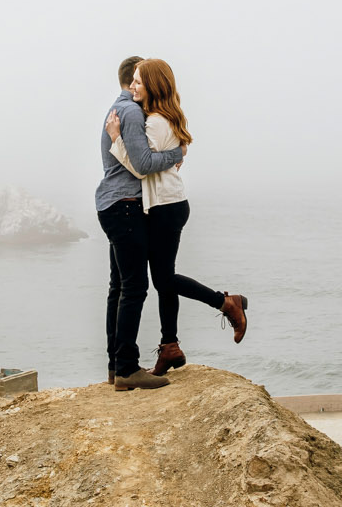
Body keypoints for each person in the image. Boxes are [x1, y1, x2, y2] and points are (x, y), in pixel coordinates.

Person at [106, 58, 248, 376]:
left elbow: (140, 165)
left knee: (164, 280)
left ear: (153, 85)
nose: (133, 86)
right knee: (164, 278)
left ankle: (226, 303)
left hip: (166, 208)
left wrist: (116, 139)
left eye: (139, 82)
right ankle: (170, 346)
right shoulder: (163, 117)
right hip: (169, 205)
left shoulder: (155, 122)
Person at [97, 56, 185, 390]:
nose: (136, 86)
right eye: (134, 80)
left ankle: (116, 366)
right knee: (134, 288)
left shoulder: (120, 109)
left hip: (114, 203)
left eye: (140, 81)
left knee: (119, 287)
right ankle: (126, 369)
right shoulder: (132, 112)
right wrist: (177, 154)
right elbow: (143, 164)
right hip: (126, 206)